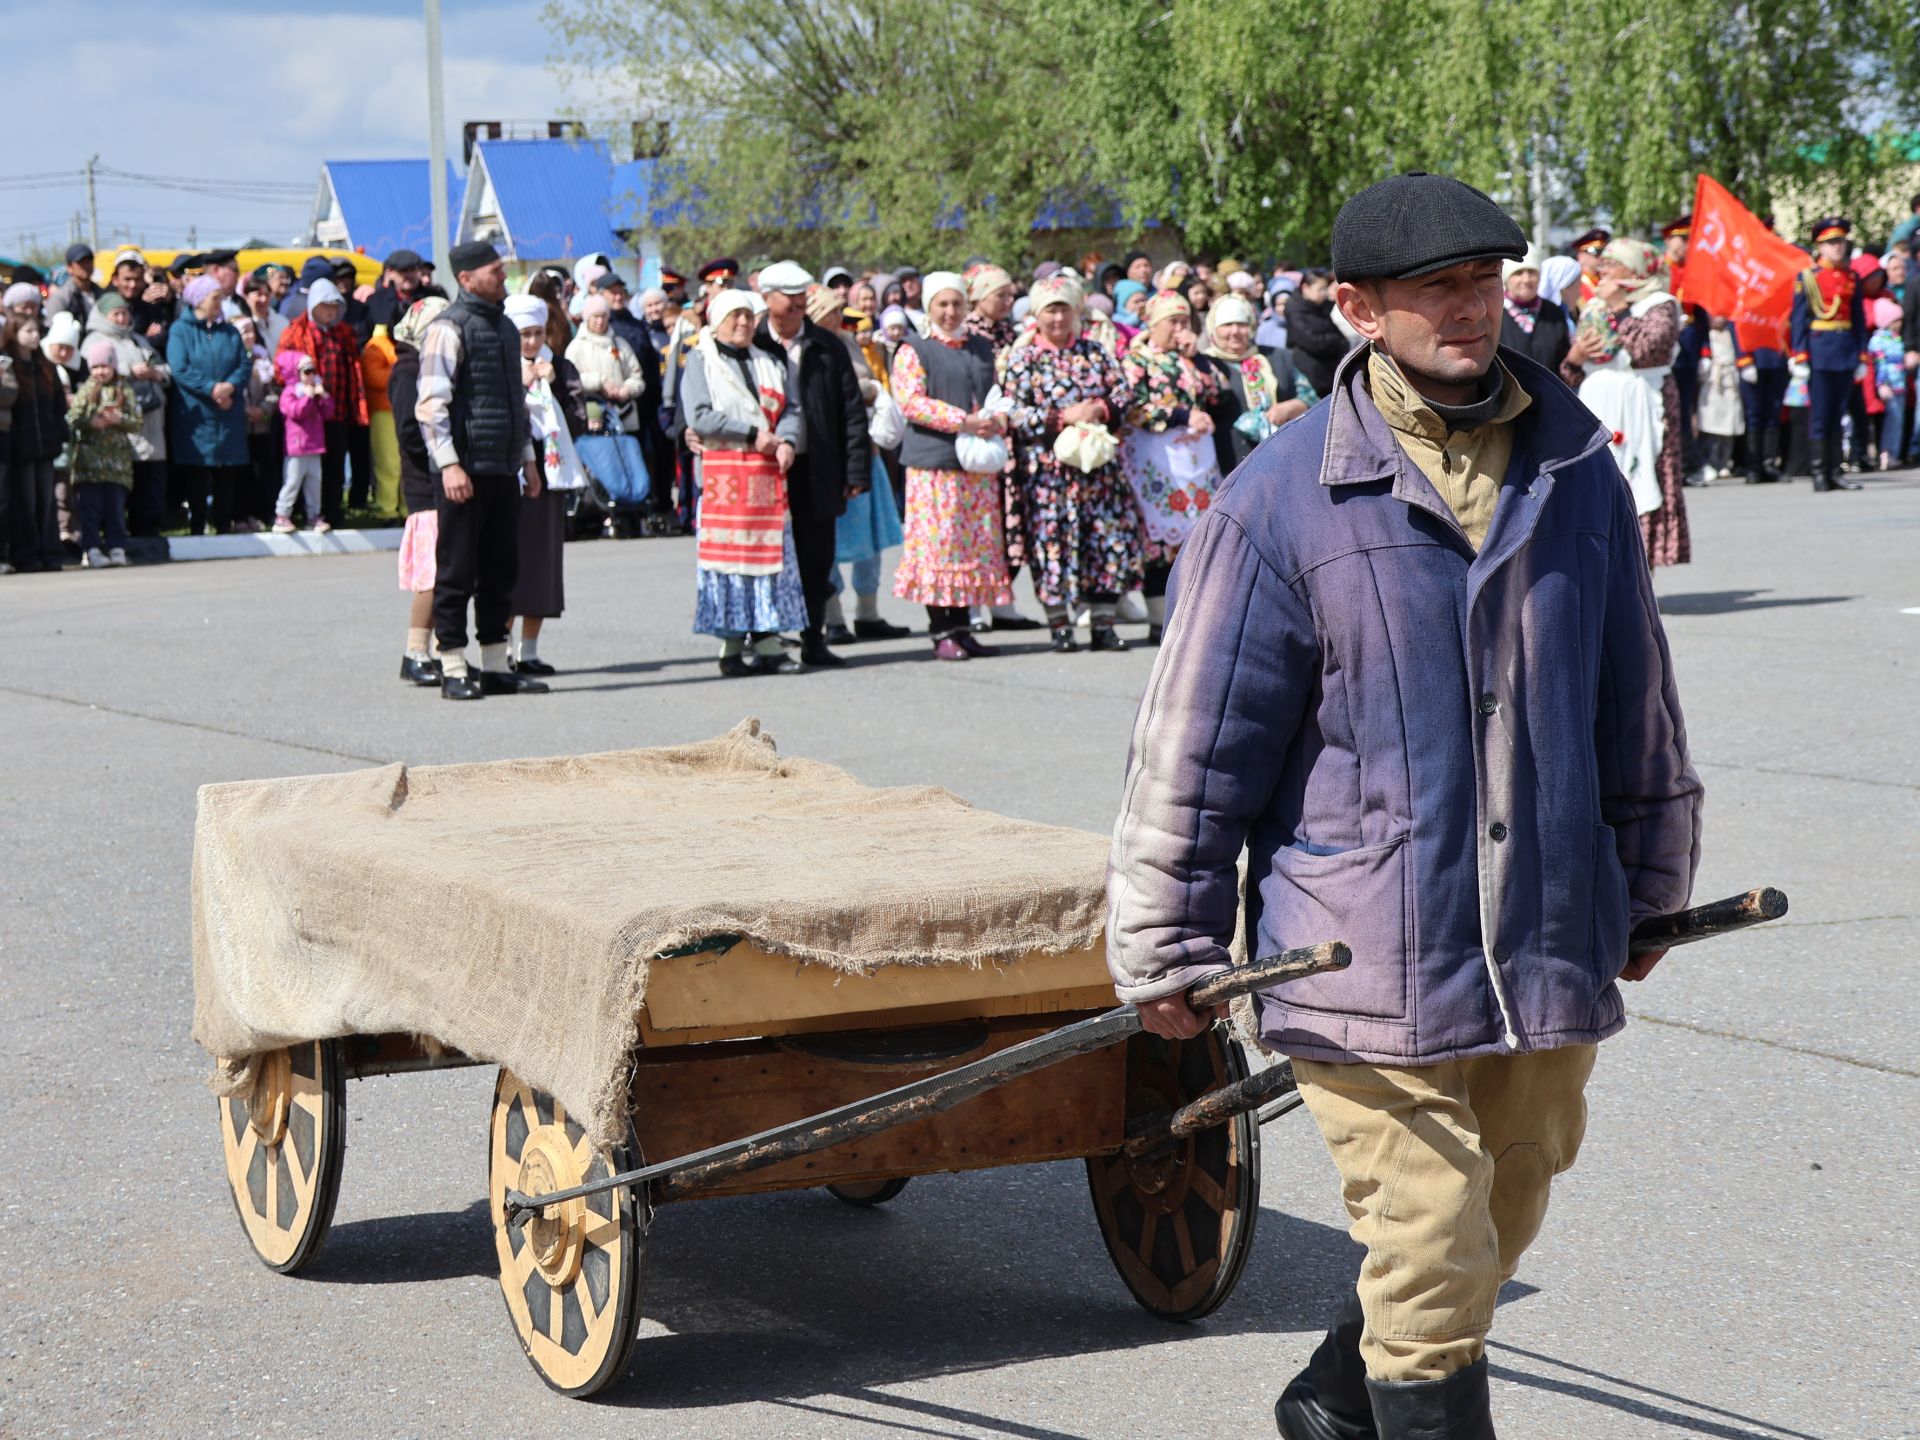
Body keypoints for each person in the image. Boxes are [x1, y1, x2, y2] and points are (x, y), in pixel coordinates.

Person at [1107, 172, 1702, 1440]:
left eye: (1485, 280)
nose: (1471, 308)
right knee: (1431, 1238)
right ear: (1357, 308)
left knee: (1501, 1207)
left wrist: (1651, 885)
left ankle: (1335, 1400)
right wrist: (1165, 943)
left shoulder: (1578, 469)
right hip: (1361, 939)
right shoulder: (1277, 499)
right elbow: (1196, 747)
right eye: (1437, 286)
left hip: (1544, 921)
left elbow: (1633, 697)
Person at [413, 239, 547, 700]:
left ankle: (494, 665)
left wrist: (527, 460)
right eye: (494, 270)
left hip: (502, 466)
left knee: (500, 569)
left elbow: (517, 404)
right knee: (457, 569)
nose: (503, 276)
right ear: (466, 279)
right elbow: (431, 405)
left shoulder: (506, 329)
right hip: (463, 469)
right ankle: (452, 664)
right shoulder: (449, 328)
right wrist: (449, 464)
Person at [1000, 273, 1142, 652]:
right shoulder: (1024, 357)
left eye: (1064, 310)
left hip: (1099, 471)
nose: (1058, 319)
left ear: (1077, 310)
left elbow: (1124, 392)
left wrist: (1099, 408)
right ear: (1037, 315)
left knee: (1105, 541)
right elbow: (1013, 410)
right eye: (1050, 312)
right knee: (1053, 545)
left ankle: (1103, 625)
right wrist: (1061, 416)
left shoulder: (1095, 352)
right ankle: (1060, 626)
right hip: (1049, 475)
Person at [681, 286, 807, 676]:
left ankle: (768, 640)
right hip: (726, 477)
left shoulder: (769, 360)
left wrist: (786, 439)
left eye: (748, 315)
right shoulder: (702, 361)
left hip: (766, 477)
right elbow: (700, 416)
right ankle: (732, 643)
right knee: (729, 562)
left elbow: (791, 407)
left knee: (768, 557)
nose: (742, 322)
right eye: (733, 316)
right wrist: (754, 434)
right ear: (717, 321)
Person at [888, 271, 1011, 659]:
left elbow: (994, 392)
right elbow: (911, 401)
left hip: (974, 463)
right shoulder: (914, 348)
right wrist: (963, 420)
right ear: (929, 307)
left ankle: (962, 625)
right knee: (940, 548)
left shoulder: (979, 346)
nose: (950, 311)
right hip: (934, 464)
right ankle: (941, 628)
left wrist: (994, 418)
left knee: (969, 546)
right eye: (942, 304)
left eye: (957, 303)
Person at [756, 260, 871, 668]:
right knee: (763, 554)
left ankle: (813, 639)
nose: (798, 307)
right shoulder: (751, 343)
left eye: (803, 299)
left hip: (817, 466)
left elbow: (852, 411)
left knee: (816, 556)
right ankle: (764, 641)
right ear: (767, 299)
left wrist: (855, 470)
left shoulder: (828, 344)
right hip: (763, 470)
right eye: (789, 299)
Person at [1563, 238, 1692, 564]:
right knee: (1599, 484)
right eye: (1603, 263)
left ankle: (1641, 568)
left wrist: (1619, 309)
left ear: (1633, 270)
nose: (1604, 270)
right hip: (1599, 402)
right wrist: (1575, 358)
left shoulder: (1660, 304)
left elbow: (1647, 351)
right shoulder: (1594, 306)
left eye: (1613, 263)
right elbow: (1574, 369)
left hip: (1643, 402)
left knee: (1643, 479)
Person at [1121, 291, 1221, 643]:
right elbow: (1131, 406)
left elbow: (1216, 393)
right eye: (1172, 322)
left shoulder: (1190, 359)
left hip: (1193, 459)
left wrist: (1199, 360)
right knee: (1159, 538)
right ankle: (1157, 618)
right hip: (1157, 458)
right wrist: (1180, 415)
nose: (1180, 329)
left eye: (1184, 321)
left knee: (1198, 533)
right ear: (1153, 324)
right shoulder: (1137, 359)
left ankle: (1194, 615)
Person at [812, 284, 909, 645]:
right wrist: (864, 390)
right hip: (830, 456)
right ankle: (833, 617)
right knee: (830, 542)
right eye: (832, 312)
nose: (840, 318)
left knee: (871, 538)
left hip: (863, 450)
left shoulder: (848, 342)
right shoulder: (810, 348)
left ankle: (868, 613)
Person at [503, 294, 588, 677]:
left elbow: (579, 419)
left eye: (537, 333)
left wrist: (551, 389)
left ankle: (529, 650)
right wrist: (518, 388)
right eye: (524, 334)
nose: (532, 342)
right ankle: (500, 648)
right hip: (513, 475)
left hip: (551, 477)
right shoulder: (501, 365)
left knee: (542, 565)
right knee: (508, 565)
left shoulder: (559, 366)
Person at [388, 296, 450, 686]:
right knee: (433, 574)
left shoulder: (430, 367)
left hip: (439, 480)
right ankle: (415, 652)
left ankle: (446, 651)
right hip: (425, 485)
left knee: (449, 571)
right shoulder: (409, 370)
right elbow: (410, 432)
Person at [277, 278, 367, 527]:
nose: (331, 312)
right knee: (301, 470)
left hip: (335, 410)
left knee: (334, 466)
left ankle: (331, 512)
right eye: (326, 306)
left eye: (335, 306)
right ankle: (298, 513)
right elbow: (280, 366)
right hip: (306, 415)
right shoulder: (296, 331)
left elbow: (353, 371)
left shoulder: (344, 332)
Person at [165, 276, 250, 536]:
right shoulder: (181, 330)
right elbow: (179, 367)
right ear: (199, 300)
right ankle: (197, 527)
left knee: (226, 472)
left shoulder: (230, 331)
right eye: (215, 298)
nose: (220, 303)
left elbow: (243, 364)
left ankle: (224, 526)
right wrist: (211, 388)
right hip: (197, 414)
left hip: (227, 412)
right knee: (198, 472)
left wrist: (230, 386)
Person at [1790, 217, 1869, 492]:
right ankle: (1819, 472)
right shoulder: (1808, 277)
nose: (1837, 247)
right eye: (1831, 243)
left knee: (1838, 414)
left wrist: (1861, 356)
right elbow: (1799, 319)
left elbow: (1858, 319)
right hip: (1820, 351)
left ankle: (1836, 471)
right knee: (1821, 415)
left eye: (1840, 242)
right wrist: (1799, 356)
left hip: (1845, 350)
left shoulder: (1851, 277)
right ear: (1819, 247)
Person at [1195, 291, 1310, 476]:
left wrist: (1289, 408)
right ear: (1213, 330)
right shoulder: (1204, 365)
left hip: (1283, 461)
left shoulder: (1279, 356)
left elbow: (1310, 397)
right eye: (1226, 325)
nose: (1235, 331)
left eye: (1241, 324)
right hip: (1229, 465)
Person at [65, 339, 140, 567]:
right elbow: (73, 419)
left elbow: (137, 421)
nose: (100, 371)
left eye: (104, 366)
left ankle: (117, 547)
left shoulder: (124, 389)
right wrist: (91, 422)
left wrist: (119, 420)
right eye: (96, 367)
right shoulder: (86, 390)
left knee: (115, 509)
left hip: (117, 465)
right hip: (89, 465)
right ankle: (93, 549)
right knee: (89, 510)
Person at [6, 314, 70, 572]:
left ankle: (50, 553)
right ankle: (27, 554)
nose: (35, 335)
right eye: (28, 331)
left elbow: (57, 405)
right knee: (26, 502)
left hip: (46, 445)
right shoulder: (9, 366)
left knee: (47, 500)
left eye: (36, 331)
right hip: (21, 447)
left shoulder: (46, 366)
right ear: (15, 333)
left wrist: (57, 431)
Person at [272, 351, 333, 532]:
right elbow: (296, 412)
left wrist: (324, 397)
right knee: (292, 482)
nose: (311, 375)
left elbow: (328, 413)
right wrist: (306, 397)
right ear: (297, 373)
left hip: (315, 446)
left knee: (314, 484)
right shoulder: (290, 393)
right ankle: (282, 516)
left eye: (313, 371)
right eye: (306, 371)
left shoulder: (316, 391)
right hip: (296, 448)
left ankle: (313, 516)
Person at [1497, 247, 1571, 374]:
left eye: (1531, 272)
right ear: (1507, 278)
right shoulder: (1495, 312)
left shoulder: (1554, 313)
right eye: (1518, 273)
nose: (1526, 280)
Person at [1286, 268, 1349, 399]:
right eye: (1320, 289)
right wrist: (1334, 340)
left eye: (1325, 289)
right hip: (1313, 375)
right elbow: (1313, 342)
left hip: (1330, 370)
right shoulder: (1296, 311)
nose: (1324, 293)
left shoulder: (1321, 307)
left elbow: (1342, 339)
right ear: (1305, 288)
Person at [1697, 315, 1744, 480]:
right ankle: (1710, 461)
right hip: (1713, 383)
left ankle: (1724, 461)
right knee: (1711, 426)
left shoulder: (1732, 333)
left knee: (1729, 426)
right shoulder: (1707, 335)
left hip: (1729, 382)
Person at [1867, 297, 1906, 470]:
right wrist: (1881, 384)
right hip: (1888, 385)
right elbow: (1880, 364)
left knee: (1898, 421)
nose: (1899, 323)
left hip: (1900, 384)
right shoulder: (1878, 340)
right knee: (1891, 420)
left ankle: (1894, 454)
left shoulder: (1897, 339)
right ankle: (1886, 453)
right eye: (1895, 320)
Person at [48, 245, 100, 328]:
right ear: (70, 267)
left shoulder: (102, 293)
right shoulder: (61, 298)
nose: (86, 266)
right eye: (81, 262)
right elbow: (54, 330)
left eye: (89, 261)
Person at [1569, 226, 1610, 305]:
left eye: (1603, 253)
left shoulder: (1605, 280)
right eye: (1596, 253)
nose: (1601, 257)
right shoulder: (1573, 283)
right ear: (1580, 256)